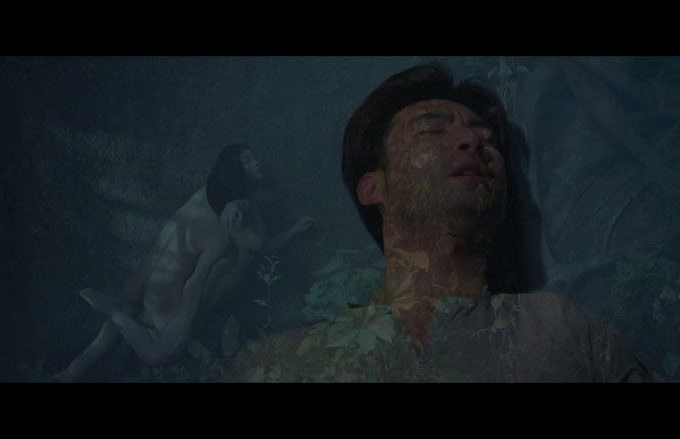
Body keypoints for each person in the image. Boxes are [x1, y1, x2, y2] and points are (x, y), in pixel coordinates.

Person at [224, 63, 650, 382]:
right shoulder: (281, 367)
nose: (472, 142)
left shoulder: (571, 336)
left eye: (486, 139)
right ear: (373, 187)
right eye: (431, 131)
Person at [53, 144, 314, 381]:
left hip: (157, 279)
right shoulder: (226, 227)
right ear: (234, 172)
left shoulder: (206, 196)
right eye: (248, 160)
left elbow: (251, 246)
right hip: (174, 303)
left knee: (133, 313)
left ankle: (74, 369)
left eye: (254, 157)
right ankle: (105, 327)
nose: (257, 162)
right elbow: (221, 266)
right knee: (158, 352)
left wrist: (290, 233)